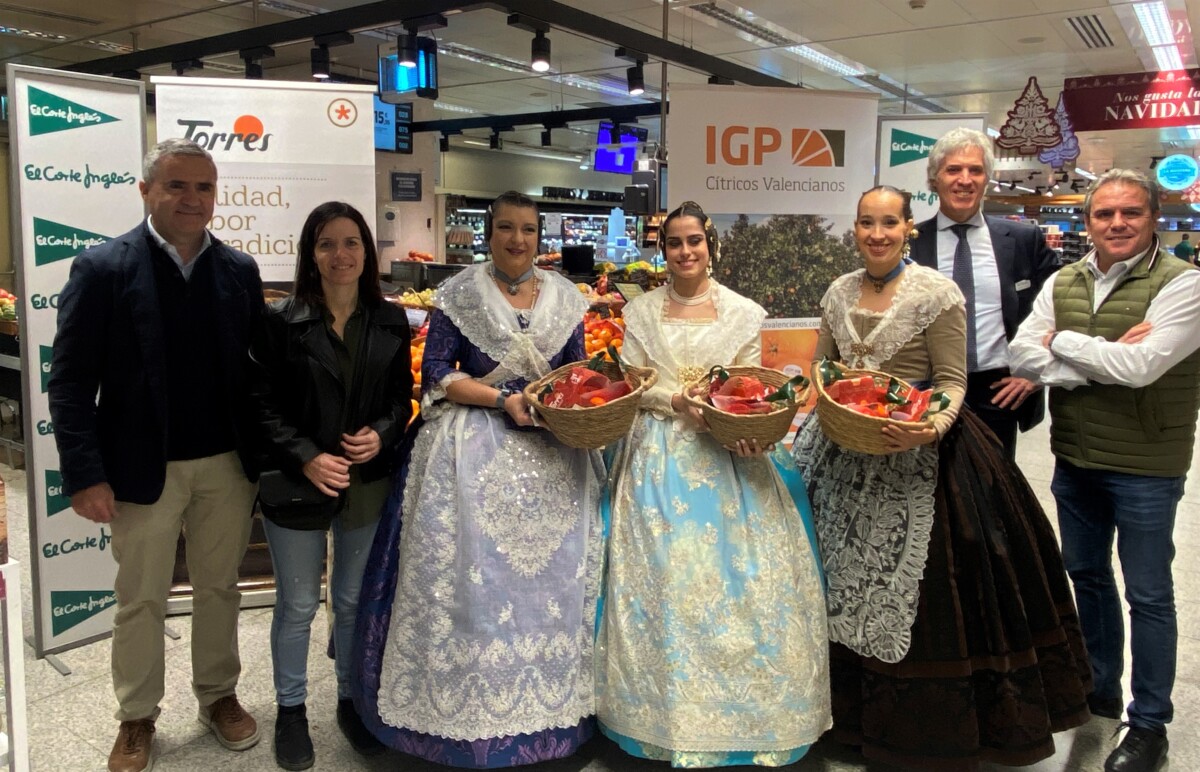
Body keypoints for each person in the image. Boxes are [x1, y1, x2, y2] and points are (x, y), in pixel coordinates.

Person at [792, 185, 1093, 771]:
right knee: (832, 575)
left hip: (919, 445)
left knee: (931, 587)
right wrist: (815, 405)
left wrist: (930, 428)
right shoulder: (838, 290)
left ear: (909, 227)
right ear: (855, 230)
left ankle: (914, 729)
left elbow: (953, 380)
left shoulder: (936, 293)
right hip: (840, 449)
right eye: (866, 223)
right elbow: (823, 369)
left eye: (889, 222)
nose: (877, 234)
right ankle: (839, 716)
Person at [352, 190, 601, 767]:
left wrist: (562, 406)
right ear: (490, 234)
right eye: (507, 228)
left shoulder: (567, 298)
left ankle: (556, 705)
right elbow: (436, 372)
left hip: (553, 448)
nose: (518, 239)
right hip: (472, 445)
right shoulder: (459, 293)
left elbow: (578, 373)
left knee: (558, 578)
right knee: (470, 576)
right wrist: (500, 400)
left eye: (529, 230)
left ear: (540, 238)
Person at [48, 138, 263, 772]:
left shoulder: (238, 271)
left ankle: (218, 695)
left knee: (219, 588)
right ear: (146, 191)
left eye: (204, 187)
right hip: (140, 469)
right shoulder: (102, 269)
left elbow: (257, 374)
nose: (192, 199)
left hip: (227, 466)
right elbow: (69, 382)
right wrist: (85, 474)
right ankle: (137, 714)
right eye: (177, 185)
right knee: (140, 597)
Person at [597, 201, 831, 767]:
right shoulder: (641, 312)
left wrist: (739, 423)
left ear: (710, 245)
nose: (686, 251)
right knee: (663, 579)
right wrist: (677, 400)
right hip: (657, 458)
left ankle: (747, 718)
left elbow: (750, 385)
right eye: (675, 243)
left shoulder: (745, 313)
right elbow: (632, 384)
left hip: (728, 457)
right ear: (663, 250)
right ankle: (663, 718)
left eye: (694, 241)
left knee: (744, 583)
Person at [1010, 169, 1200, 772]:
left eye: (1131, 212)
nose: (1117, 223)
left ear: (1153, 217)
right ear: (1088, 221)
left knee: (1148, 594)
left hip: (1146, 465)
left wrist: (1061, 341)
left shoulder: (1185, 284)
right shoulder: (1064, 279)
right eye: (1104, 214)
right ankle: (1099, 690)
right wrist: (1102, 355)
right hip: (1076, 458)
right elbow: (1021, 354)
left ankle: (1149, 726)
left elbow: (1143, 367)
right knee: (1087, 577)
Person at [249, 202, 413, 770]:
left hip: (365, 482)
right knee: (297, 604)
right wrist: (307, 457)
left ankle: (350, 698)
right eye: (326, 244)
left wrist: (383, 433)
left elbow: (401, 398)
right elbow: (260, 406)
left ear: (366, 251)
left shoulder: (390, 320)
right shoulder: (280, 320)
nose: (340, 255)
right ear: (310, 255)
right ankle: (290, 710)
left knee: (350, 599)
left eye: (351, 243)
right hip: (297, 482)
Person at [910, 127, 1060, 460]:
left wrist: (1038, 373)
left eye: (975, 170)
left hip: (998, 391)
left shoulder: (1023, 241)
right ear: (934, 179)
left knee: (994, 486)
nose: (965, 180)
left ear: (986, 180)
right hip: (928, 388)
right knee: (927, 482)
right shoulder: (911, 244)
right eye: (953, 169)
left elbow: (1062, 306)